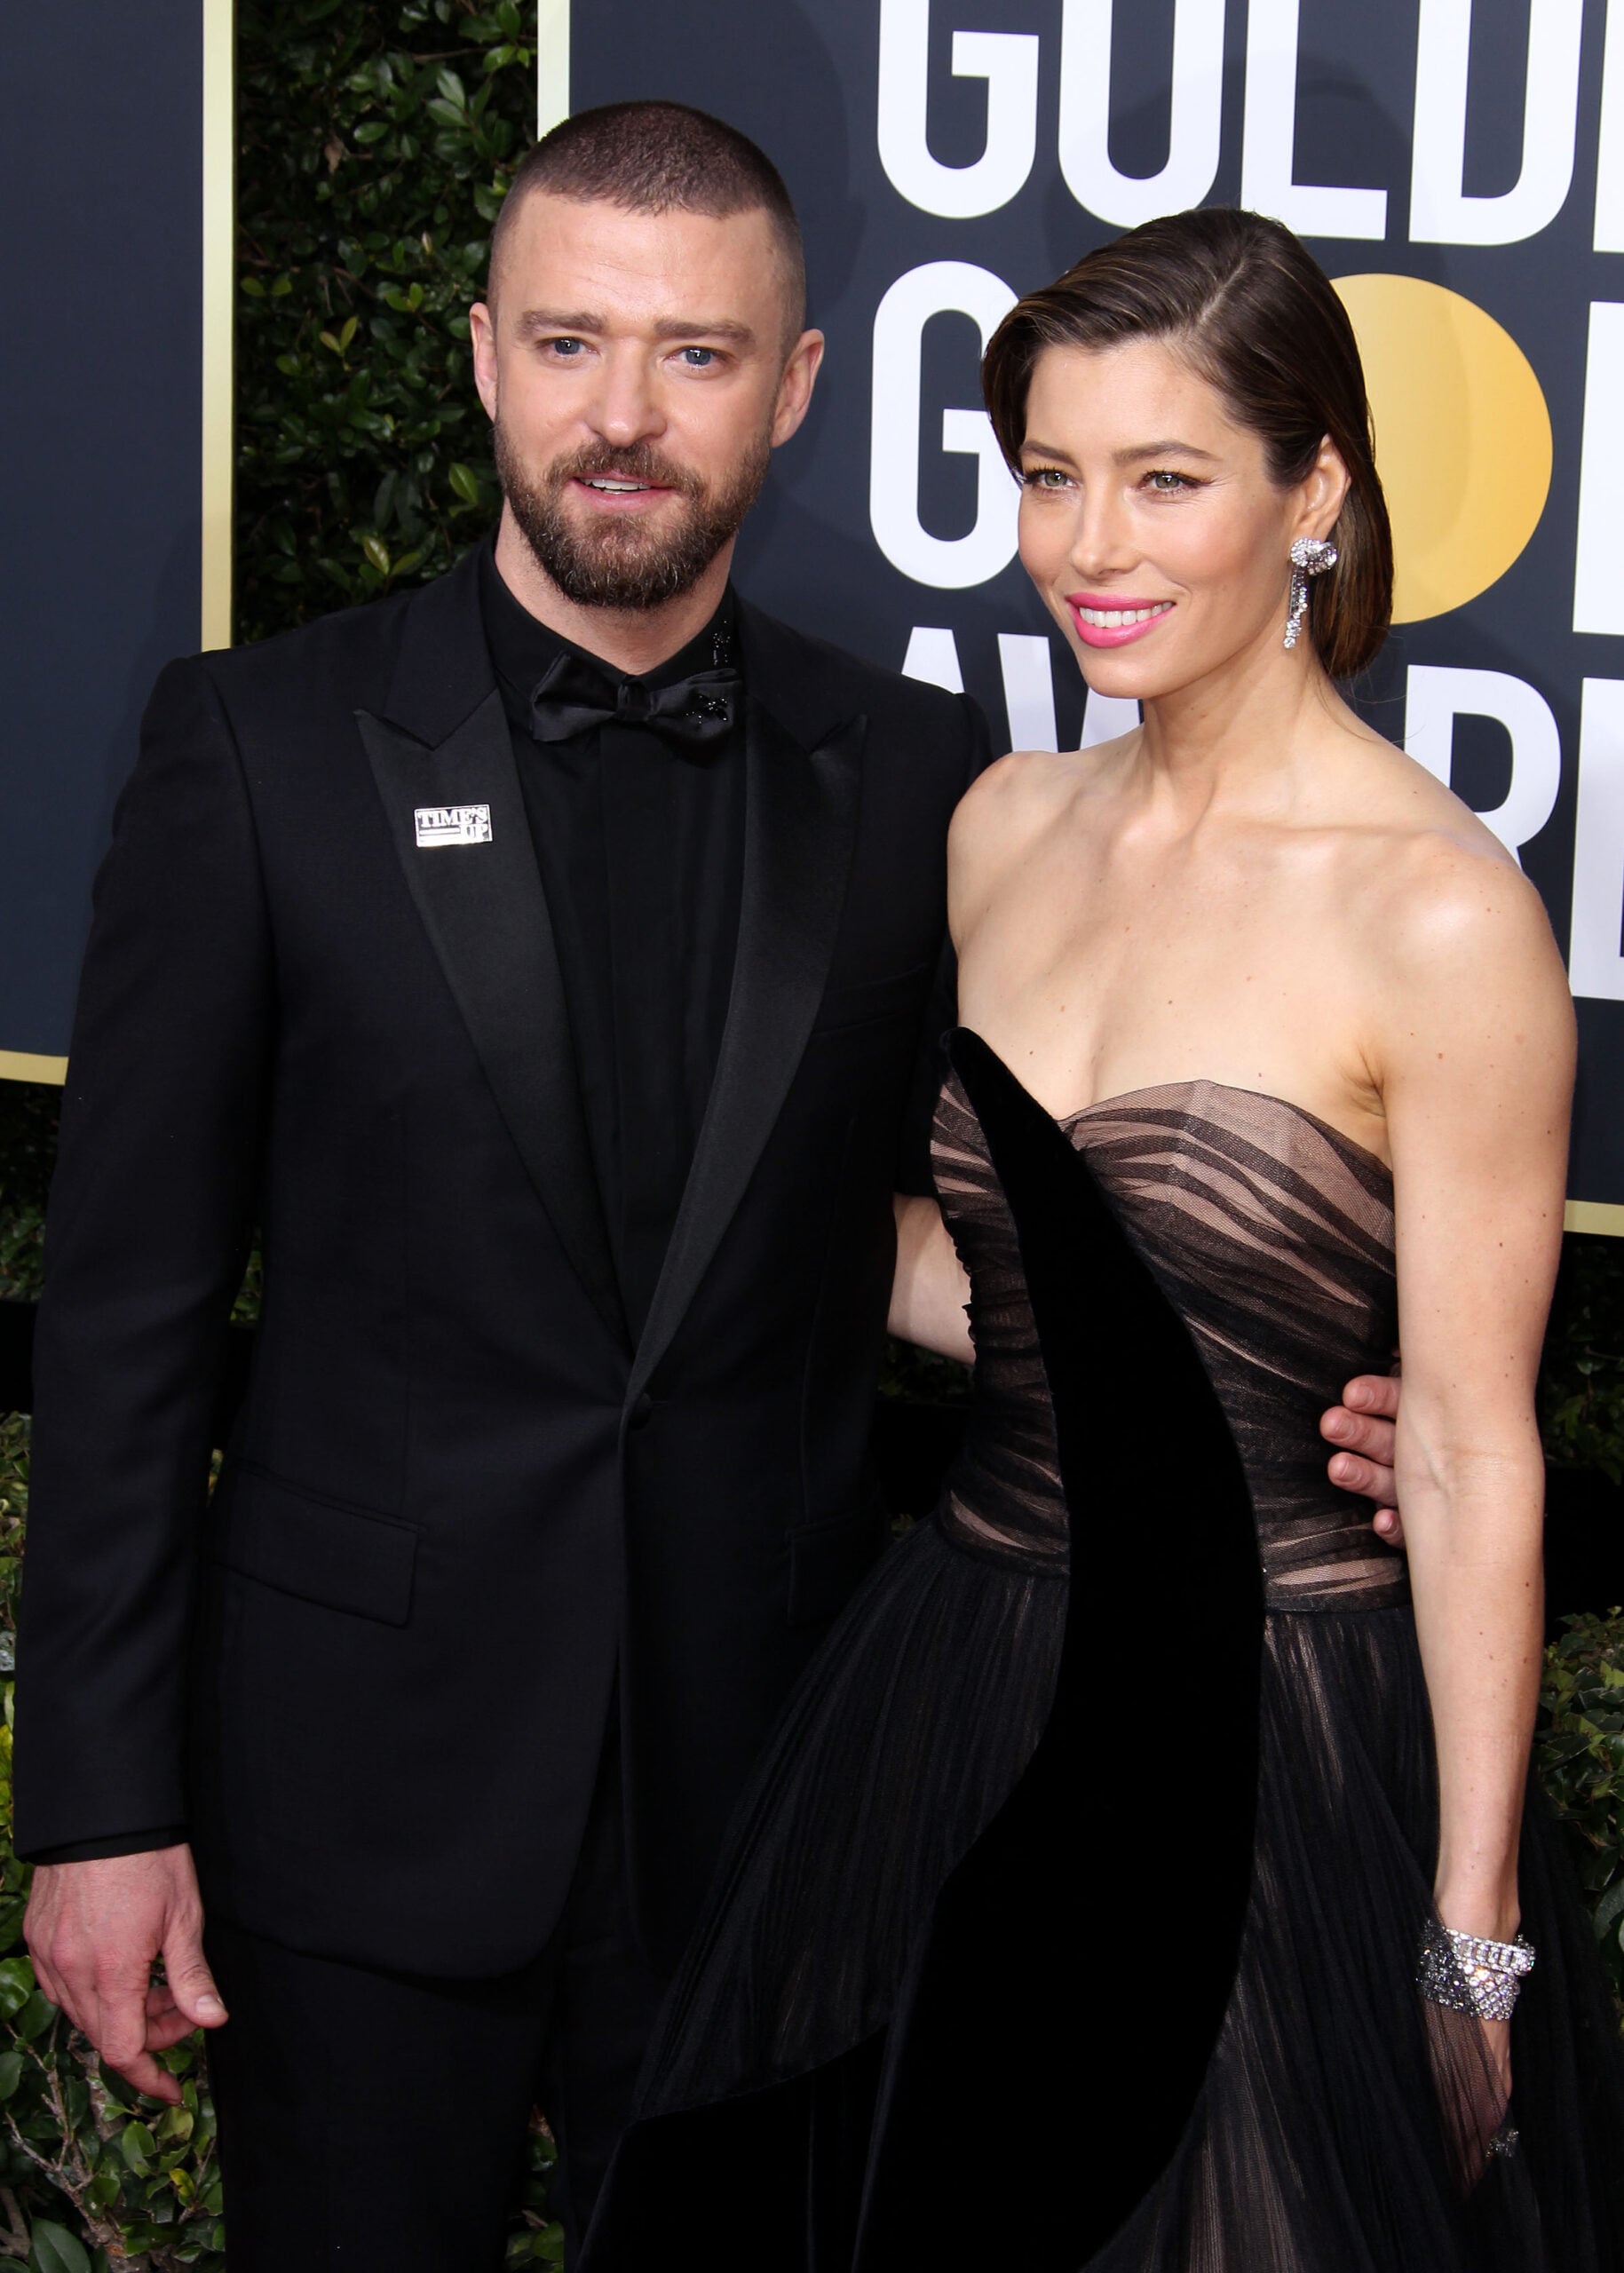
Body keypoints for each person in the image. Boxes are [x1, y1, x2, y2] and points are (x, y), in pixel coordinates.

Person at [12, 113, 1403, 2269]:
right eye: (570, 340)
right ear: (480, 356)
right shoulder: (259, 753)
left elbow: (1020, 1214)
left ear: (800, 385)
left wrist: (1294, 1391)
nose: (625, 416)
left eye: (695, 353)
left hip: (780, 1790)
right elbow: (121, 1320)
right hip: (355, 1797)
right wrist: (100, 1806)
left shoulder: (926, 786)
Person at [580, 208, 1624, 2273]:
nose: (1088, 547)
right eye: (1051, 476)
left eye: (1166, 478)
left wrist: (1471, 1923)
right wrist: (669, 1172)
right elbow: (1020, 1288)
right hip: (959, 1673)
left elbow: (1470, 1442)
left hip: (1259, 1737)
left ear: (1313, 491)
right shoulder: (1004, 827)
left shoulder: (1439, 912)